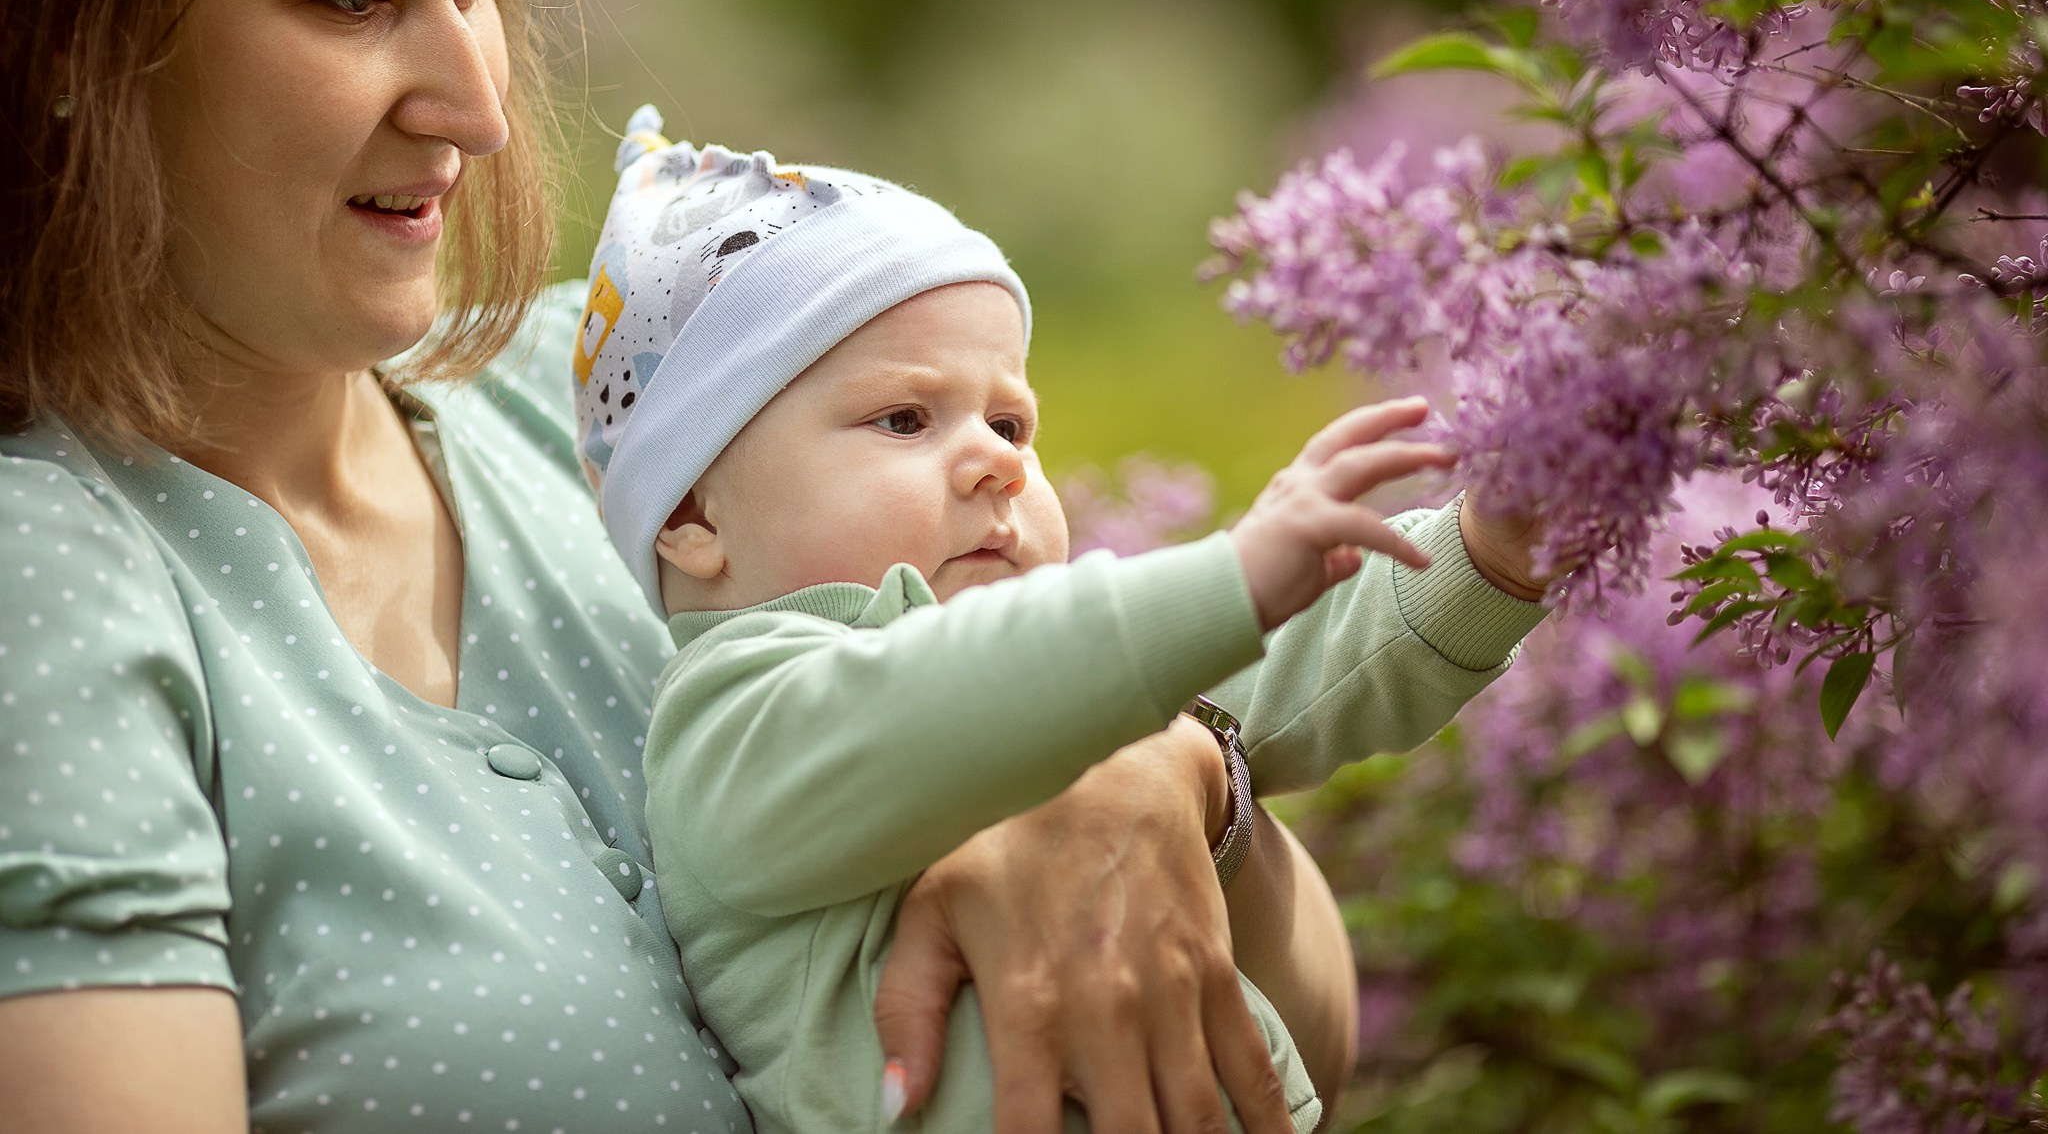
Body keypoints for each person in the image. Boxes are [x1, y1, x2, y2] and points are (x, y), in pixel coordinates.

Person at [0, 0, 1563, 1130]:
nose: (480, 106)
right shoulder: (51, 585)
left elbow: (1302, 1042)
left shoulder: (623, 391)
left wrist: (1166, 777)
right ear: (74, 27)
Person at [568, 119, 1553, 1132]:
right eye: (904, 418)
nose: (998, 461)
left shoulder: (1060, 667)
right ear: (694, 517)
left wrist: (1485, 552)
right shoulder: (729, 721)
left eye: (1009, 423)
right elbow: (925, 703)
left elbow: (1292, 659)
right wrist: (1231, 577)